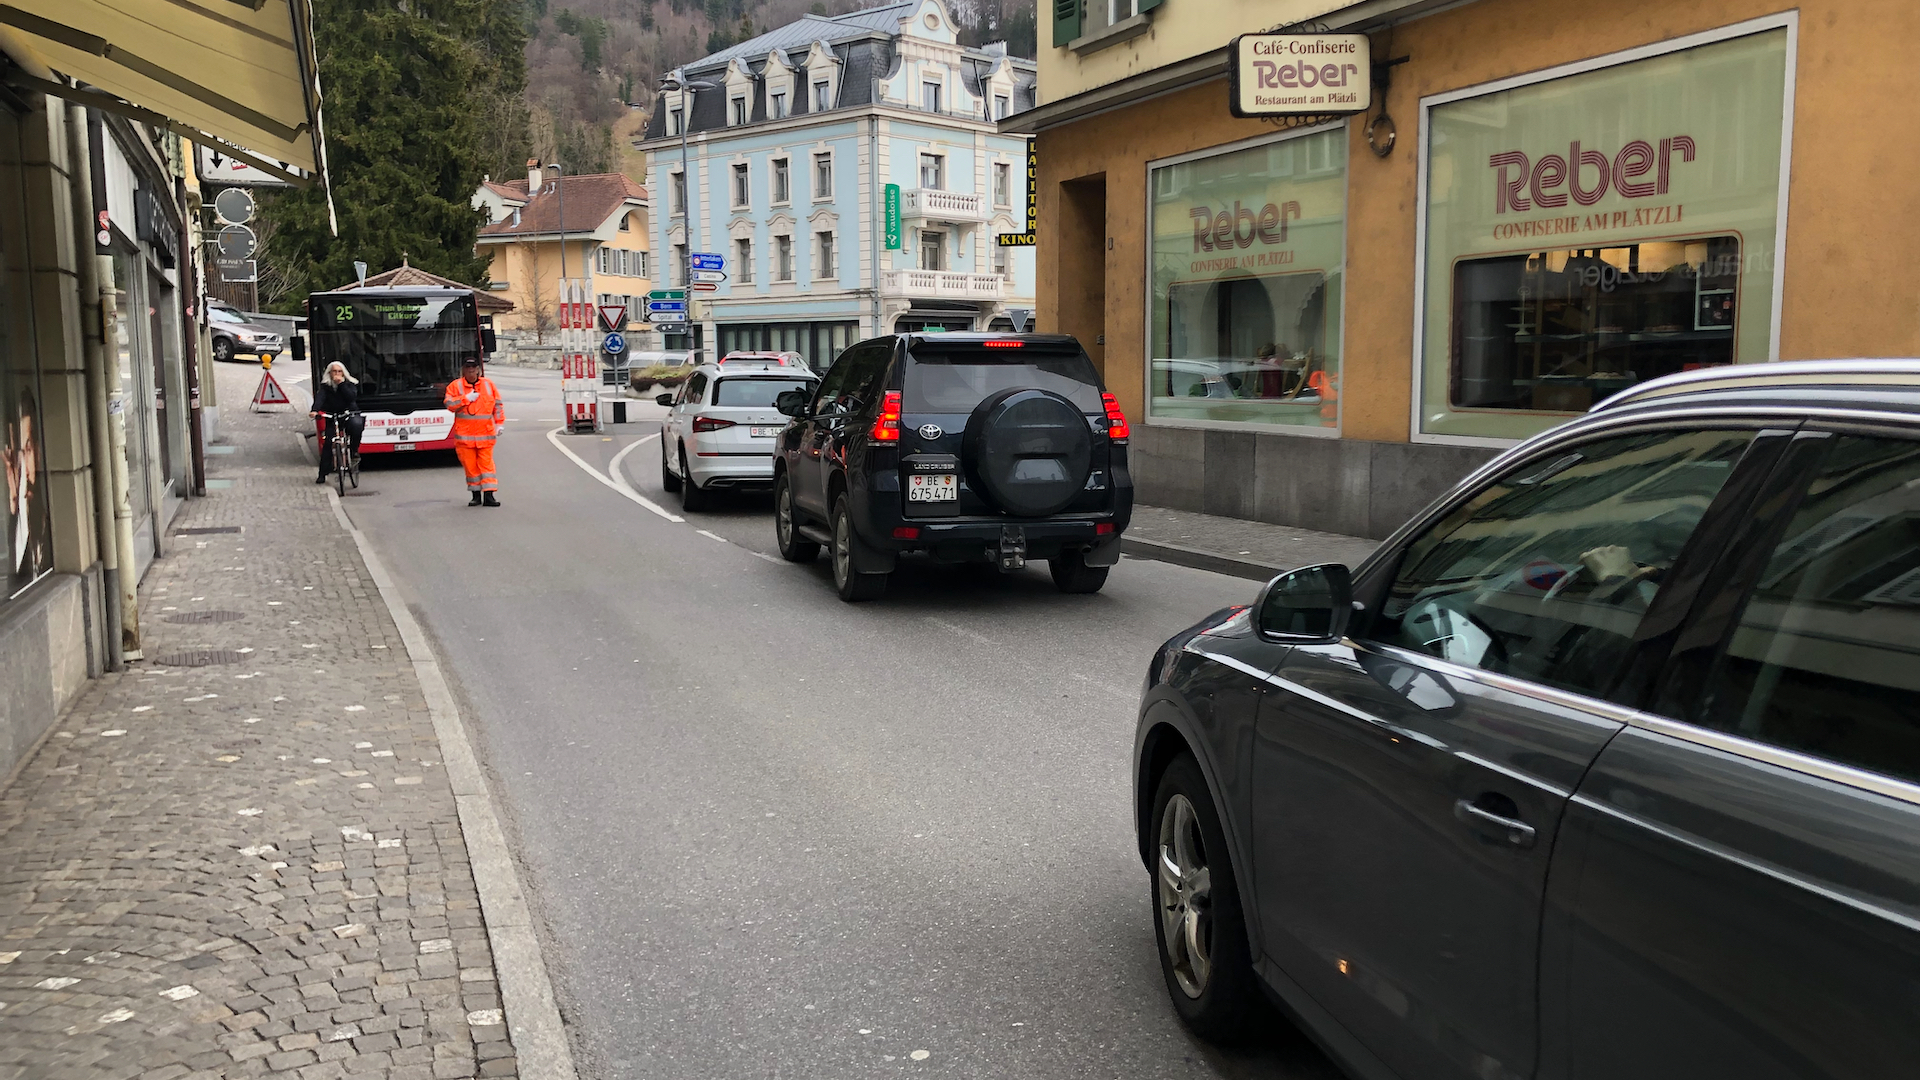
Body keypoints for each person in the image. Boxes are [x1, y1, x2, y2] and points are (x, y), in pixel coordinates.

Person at [444, 357, 504, 506]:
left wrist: (499, 424)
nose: (471, 370)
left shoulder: (489, 385)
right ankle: (476, 496)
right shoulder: (455, 386)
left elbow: (497, 406)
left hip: (485, 435)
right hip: (465, 438)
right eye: (468, 367)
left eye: (473, 367)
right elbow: (449, 404)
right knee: (471, 468)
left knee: (487, 466)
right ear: (463, 369)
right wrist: (465, 399)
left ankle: (489, 496)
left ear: (478, 369)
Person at [309, 362, 363, 484]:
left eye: (339, 371)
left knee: (356, 426)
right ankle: (322, 474)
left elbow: (351, 397)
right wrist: (314, 410)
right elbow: (320, 399)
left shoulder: (350, 384)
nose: (337, 374)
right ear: (330, 373)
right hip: (332, 416)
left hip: (348, 414)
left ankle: (354, 451)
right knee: (328, 442)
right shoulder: (325, 387)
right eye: (334, 371)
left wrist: (341, 384)